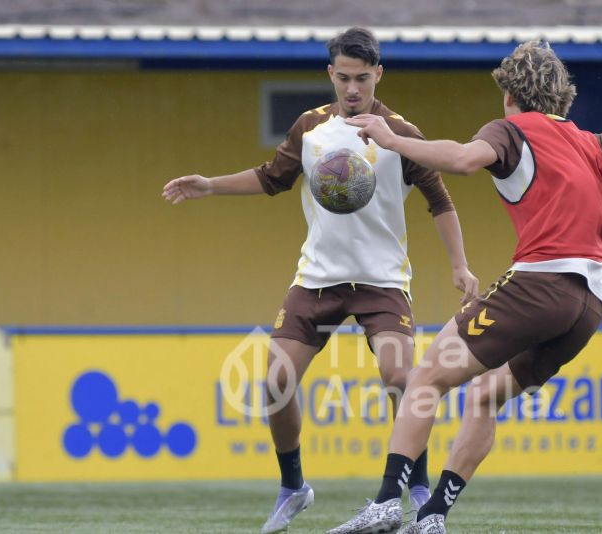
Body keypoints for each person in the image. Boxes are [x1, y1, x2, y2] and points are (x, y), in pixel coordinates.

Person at [328, 41, 602, 534]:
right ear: (561, 96)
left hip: (538, 286)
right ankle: (432, 517)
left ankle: (386, 503)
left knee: (424, 378)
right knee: (485, 395)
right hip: (588, 308)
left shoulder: (509, 130)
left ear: (510, 95)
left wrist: (392, 140)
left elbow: (463, 159)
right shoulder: (592, 143)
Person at [162, 27, 479, 534]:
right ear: (330, 74)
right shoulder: (310, 128)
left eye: (362, 78)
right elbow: (271, 177)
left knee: (402, 379)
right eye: (344, 78)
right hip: (316, 280)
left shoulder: (401, 134)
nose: (352, 89)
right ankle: (293, 488)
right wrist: (211, 185)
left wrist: (460, 266)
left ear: (379, 75)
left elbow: (440, 201)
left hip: (381, 282)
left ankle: (417, 486)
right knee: (275, 382)